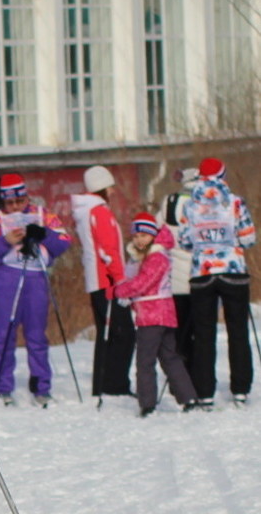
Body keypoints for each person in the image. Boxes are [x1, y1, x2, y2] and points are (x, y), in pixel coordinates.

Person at [0, 173, 71, 405]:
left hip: (36, 277)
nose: (15, 207)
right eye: (10, 203)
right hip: (5, 279)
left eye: (19, 201)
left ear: (26, 197)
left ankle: (41, 386)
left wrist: (44, 234)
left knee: (37, 335)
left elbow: (64, 241)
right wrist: (5, 241)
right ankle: (3, 385)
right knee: (4, 334)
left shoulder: (41, 214)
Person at [178, 157, 256, 405]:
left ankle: (204, 392)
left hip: (202, 273)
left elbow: (185, 241)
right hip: (233, 271)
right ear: (223, 176)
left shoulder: (190, 205)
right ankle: (240, 389)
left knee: (203, 334)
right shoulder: (234, 202)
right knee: (238, 331)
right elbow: (248, 238)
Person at [108, 213, 201, 417]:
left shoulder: (157, 257)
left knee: (145, 360)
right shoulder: (148, 257)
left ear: (153, 236)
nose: (139, 239)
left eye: (144, 235)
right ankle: (188, 397)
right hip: (161, 315)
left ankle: (148, 403)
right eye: (136, 236)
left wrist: (118, 291)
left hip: (153, 316)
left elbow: (143, 283)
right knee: (169, 357)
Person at [71, 165, 136, 403]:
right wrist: (121, 280)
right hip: (108, 281)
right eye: (110, 187)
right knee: (124, 333)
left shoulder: (84, 211)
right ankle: (115, 384)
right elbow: (108, 249)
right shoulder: (99, 211)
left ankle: (102, 383)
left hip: (96, 279)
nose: (113, 191)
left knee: (105, 333)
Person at [157, 168, 198, 373]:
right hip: (201, 275)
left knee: (180, 330)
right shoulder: (205, 203)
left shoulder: (169, 203)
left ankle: (180, 373)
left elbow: (158, 232)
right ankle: (199, 375)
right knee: (201, 331)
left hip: (174, 278)